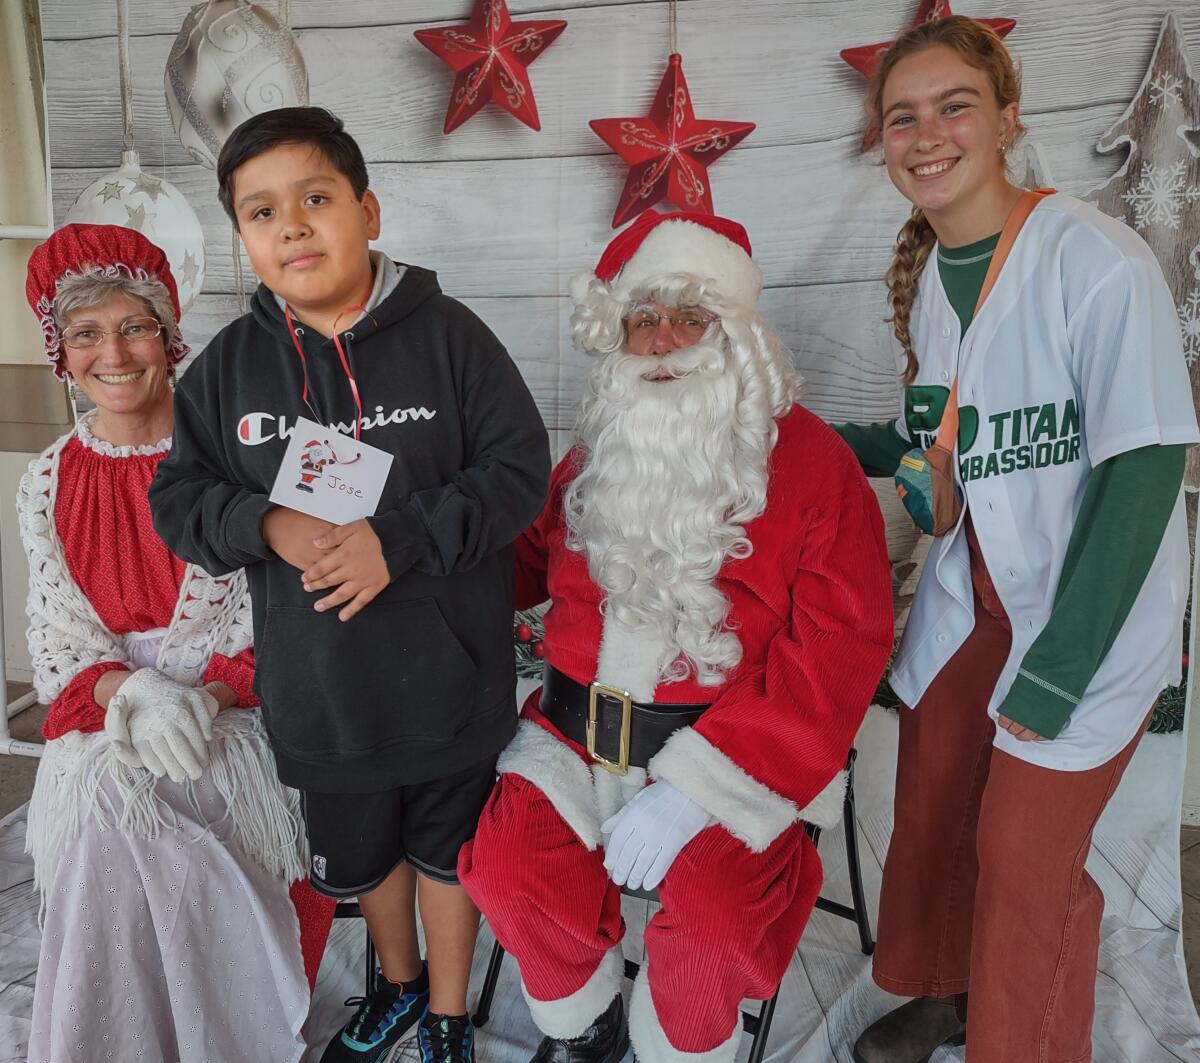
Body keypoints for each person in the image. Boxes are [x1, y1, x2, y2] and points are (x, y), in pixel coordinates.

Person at [831, 17, 1199, 1063]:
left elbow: (1140, 471)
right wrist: (787, 425)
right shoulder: (937, 288)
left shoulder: (1095, 263)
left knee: (1025, 858)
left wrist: (1057, 674)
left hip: (1084, 609)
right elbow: (938, 435)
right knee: (934, 802)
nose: (927, 133)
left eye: (954, 106)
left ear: (1005, 117)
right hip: (977, 590)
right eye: (902, 116)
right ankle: (952, 992)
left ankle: (1023, 1040)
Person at [148, 106, 551, 1063]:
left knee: (449, 856)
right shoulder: (225, 370)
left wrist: (398, 539)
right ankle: (399, 986)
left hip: (452, 679)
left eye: (315, 198)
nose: (291, 226)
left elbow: (519, 469)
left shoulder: (451, 337)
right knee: (366, 860)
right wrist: (266, 523)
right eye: (260, 212)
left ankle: (450, 1015)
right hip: (324, 696)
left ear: (367, 211)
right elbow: (180, 500)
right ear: (244, 237)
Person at [458, 209, 894, 1063]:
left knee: (721, 929)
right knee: (506, 865)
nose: (662, 341)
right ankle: (587, 1025)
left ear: (734, 330)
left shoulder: (813, 463)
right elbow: (520, 566)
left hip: (729, 759)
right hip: (573, 742)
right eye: (643, 319)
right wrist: (420, 540)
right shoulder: (596, 453)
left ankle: (678, 1049)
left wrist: (696, 791)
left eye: (689, 317)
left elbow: (841, 649)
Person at [20, 222, 333, 1063]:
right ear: (61, 349)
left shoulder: (239, 450)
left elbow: (283, 609)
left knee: (182, 806)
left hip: (237, 699)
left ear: (169, 334)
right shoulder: (48, 478)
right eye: (86, 332)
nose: (112, 353)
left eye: (133, 326)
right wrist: (133, 696)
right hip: (114, 704)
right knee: (102, 821)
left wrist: (205, 693)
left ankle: (218, 1036)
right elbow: (61, 639)